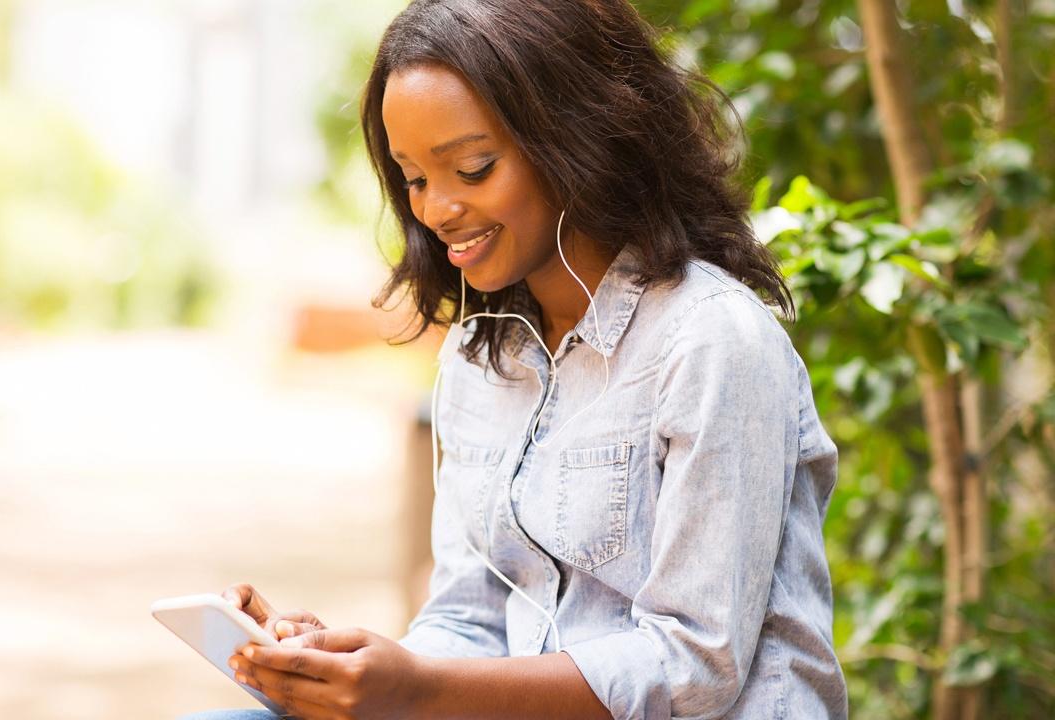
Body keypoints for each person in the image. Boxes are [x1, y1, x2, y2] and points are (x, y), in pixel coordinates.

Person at [186, 0, 847, 717]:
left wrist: (421, 690)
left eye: (472, 168)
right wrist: (349, 667)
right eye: (414, 179)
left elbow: (695, 663)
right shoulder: (482, 358)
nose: (437, 209)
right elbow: (469, 620)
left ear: (575, 138)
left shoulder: (712, 342)